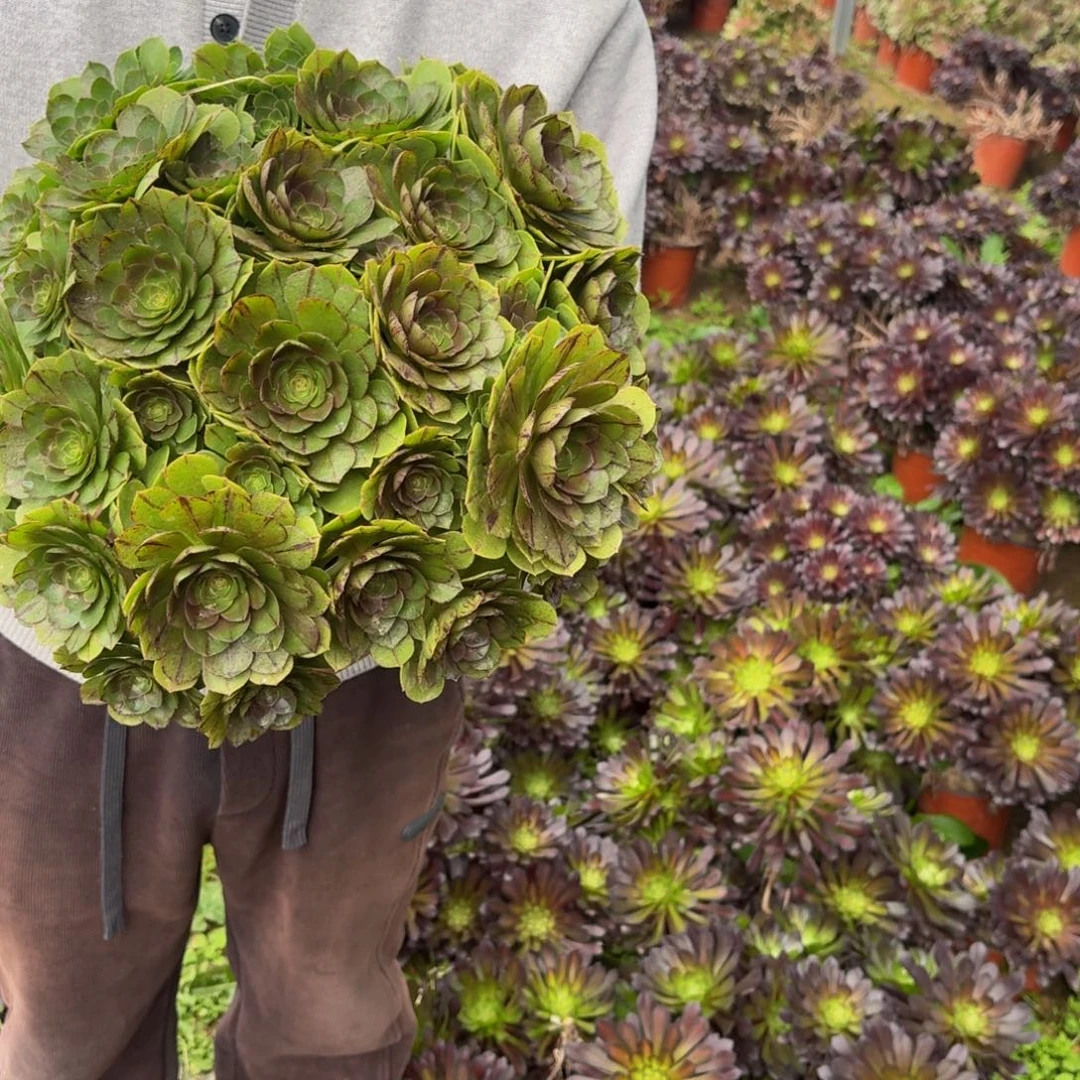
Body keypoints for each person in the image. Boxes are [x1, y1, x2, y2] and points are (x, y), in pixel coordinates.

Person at [0, 3, 657, 1078]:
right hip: (45, 643)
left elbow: (593, 324)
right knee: (67, 1016)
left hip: (380, 653)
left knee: (330, 1014)